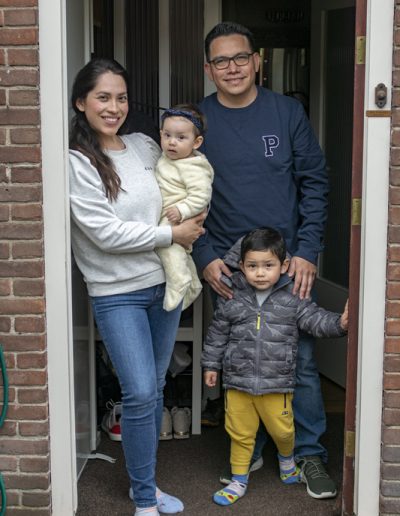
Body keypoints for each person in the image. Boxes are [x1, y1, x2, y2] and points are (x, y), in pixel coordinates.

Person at [192, 21, 335, 499]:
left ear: (257, 61)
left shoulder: (287, 112)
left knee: (302, 364)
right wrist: (205, 254)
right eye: (220, 61)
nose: (231, 68)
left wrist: (309, 250)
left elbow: (314, 183)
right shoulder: (200, 122)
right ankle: (247, 447)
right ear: (209, 69)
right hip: (230, 269)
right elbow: (183, 195)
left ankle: (310, 454)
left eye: (240, 58)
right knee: (237, 364)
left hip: (287, 266)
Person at [68, 57, 205, 516]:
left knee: (154, 389)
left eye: (121, 97)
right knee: (141, 391)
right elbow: (104, 234)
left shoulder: (147, 145)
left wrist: (190, 217)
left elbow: (178, 191)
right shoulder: (77, 162)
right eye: (103, 97)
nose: (114, 107)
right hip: (116, 293)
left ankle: (143, 486)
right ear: (81, 102)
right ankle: (145, 499)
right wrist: (172, 234)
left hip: (162, 285)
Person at [202, 228, 349, 506]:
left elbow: (315, 320)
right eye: (253, 266)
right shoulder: (232, 296)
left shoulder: (293, 297)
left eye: (268, 266)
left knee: (283, 431)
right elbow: (217, 333)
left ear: (282, 266)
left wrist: (340, 324)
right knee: (239, 432)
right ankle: (238, 480)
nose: (260, 273)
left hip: (277, 384)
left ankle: (287, 460)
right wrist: (211, 365)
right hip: (238, 383)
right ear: (242, 266)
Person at [155, 103, 214, 311]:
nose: (172, 142)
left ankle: (178, 281)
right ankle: (193, 284)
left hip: (178, 216)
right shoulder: (166, 157)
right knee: (182, 254)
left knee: (166, 246)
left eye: (181, 138)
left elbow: (202, 195)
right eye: (167, 135)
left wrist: (182, 211)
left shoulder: (194, 167)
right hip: (170, 212)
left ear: (196, 142)